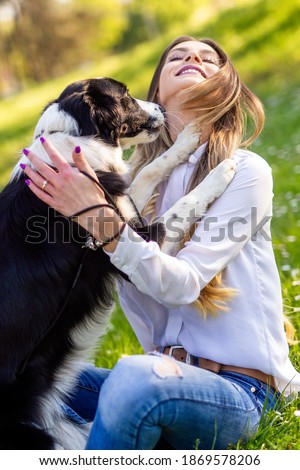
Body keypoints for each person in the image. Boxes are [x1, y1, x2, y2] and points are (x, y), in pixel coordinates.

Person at [22, 36, 300, 450]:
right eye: (178, 55)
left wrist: (96, 217)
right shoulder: (128, 184)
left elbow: (182, 284)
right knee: (22, 379)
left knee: (134, 380)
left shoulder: (245, 171)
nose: (193, 57)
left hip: (239, 392)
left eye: (209, 59)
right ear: (153, 95)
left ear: (225, 87)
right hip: (161, 374)